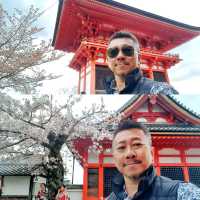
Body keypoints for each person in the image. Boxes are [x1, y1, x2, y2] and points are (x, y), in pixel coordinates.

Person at [106, 119, 200, 200]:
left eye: (137, 144)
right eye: (121, 147)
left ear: (151, 153)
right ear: (114, 158)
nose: (130, 154)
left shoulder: (182, 193)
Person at [104, 31, 178, 94]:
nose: (120, 56)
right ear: (107, 60)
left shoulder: (160, 90)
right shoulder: (108, 92)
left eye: (127, 50)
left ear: (139, 58)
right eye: (113, 52)